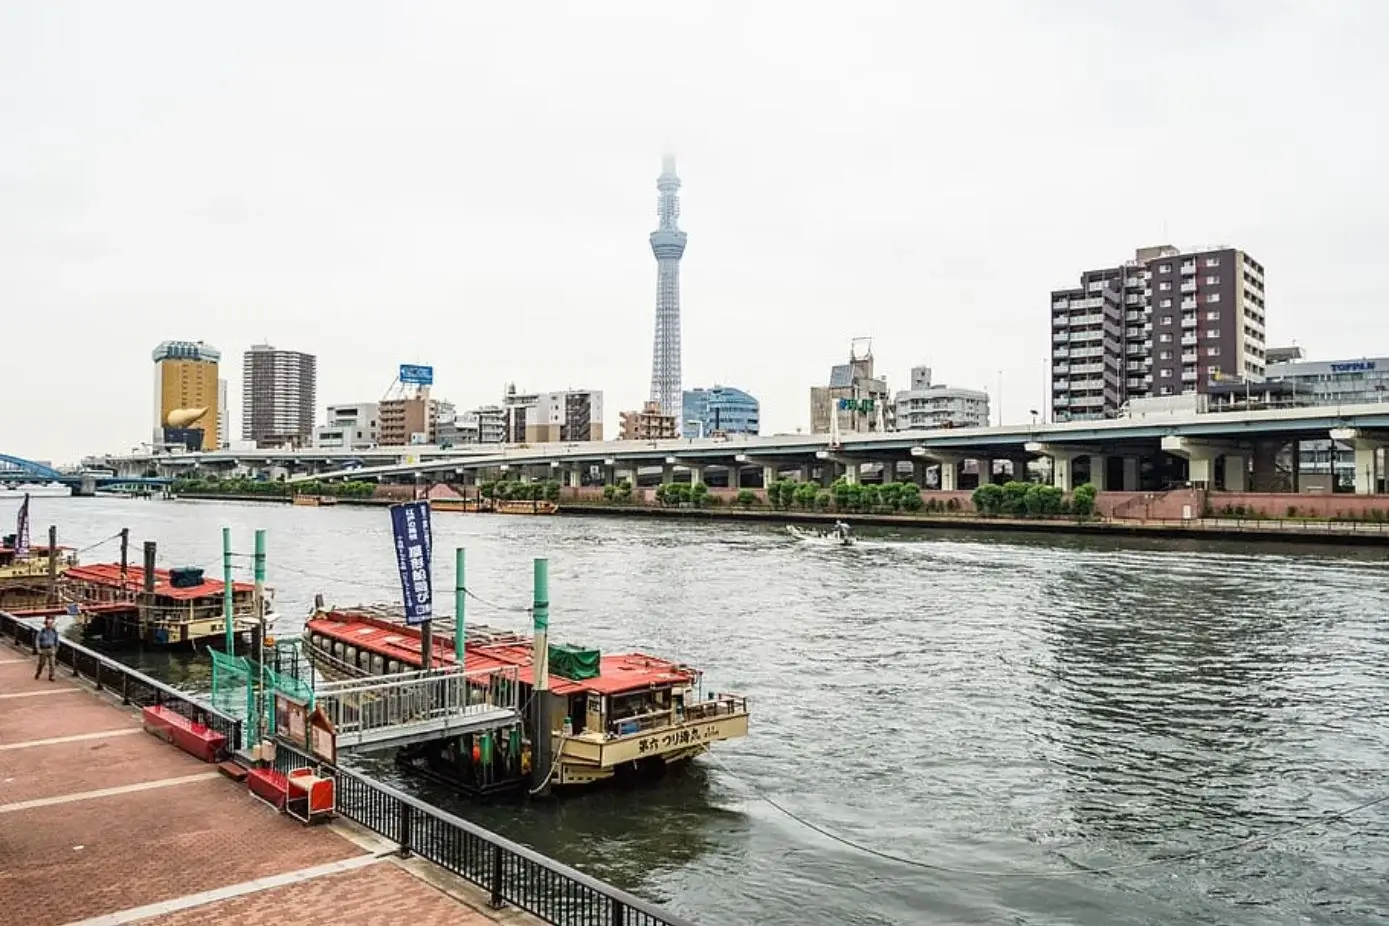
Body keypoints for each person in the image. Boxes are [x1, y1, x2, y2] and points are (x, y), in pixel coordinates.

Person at [34, 616, 58, 682]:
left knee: (52, 663)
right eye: (49, 623)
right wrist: (38, 648)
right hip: (43, 649)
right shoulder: (42, 631)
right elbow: (37, 640)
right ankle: (38, 673)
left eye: (51, 623)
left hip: (51, 648)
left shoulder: (54, 631)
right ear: (46, 624)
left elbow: (56, 640)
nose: (50, 625)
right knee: (42, 663)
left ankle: (51, 676)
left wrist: (56, 649)